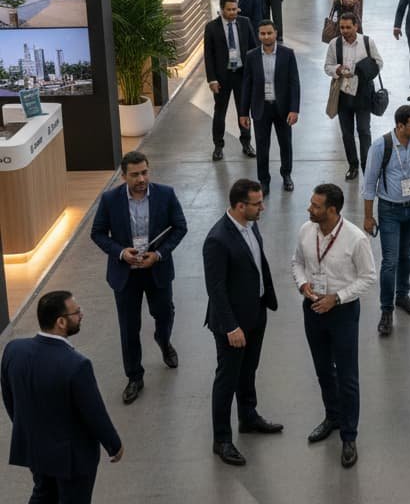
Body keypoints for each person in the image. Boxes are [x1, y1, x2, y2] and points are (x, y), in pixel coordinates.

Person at [1, 291, 123, 501]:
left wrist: (28, 430)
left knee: (43, 495)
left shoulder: (13, 350)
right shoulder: (76, 365)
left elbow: (10, 398)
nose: (81, 315)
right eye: (76, 312)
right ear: (61, 322)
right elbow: (94, 413)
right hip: (72, 459)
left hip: (36, 449)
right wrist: (114, 445)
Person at [89, 151, 188, 404]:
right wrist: (121, 253)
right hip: (125, 275)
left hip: (157, 270)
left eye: (144, 172)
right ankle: (134, 377)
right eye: (135, 175)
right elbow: (98, 233)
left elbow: (180, 227)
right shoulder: (110, 200)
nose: (141, 178)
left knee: (164, 313)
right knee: (128, 327)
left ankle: (164, 341)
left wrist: (159, 254)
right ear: (123, 177)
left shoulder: (166, 195)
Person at [292, 183, 376, 469]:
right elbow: (297, 263)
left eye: (316, 206)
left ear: (332, 210)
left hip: (342, 312)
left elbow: (368, 277)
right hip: (312, 308)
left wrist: (337, 298)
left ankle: (349, 436)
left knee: (348, 375)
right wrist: (302, 283)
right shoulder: (306, 230)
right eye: (311, 203)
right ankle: (332, 416)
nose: (309, 209)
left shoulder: (355, 239)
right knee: (323, 369)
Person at [203, 179, 281, 467]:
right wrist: (231, 327)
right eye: (257, 203)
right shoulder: (217, 239)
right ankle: (221, 439)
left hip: (256, 312)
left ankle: (248, 417)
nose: (262, 207)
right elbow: (216, 289)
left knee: (248, 370)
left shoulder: (251, 224)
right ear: (239, 206)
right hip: (233, 324)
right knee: (227, 378)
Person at [362, 105, 410, 337]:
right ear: (400, 126)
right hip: (390, 210)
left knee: (406, 256)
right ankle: (386, 309)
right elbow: (369, 182)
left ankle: (402, 295)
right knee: (390, 261)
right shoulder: (381, 146)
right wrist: (367, 215)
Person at [240, 20, 301, 194]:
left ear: (275, 33)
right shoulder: (251, 56)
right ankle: (264, 180)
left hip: (282, 109)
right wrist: (243, 113)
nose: (266, 36)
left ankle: (286, 175)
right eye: (262, 34)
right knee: (262, 146)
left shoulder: (287, 54)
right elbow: (246, 85)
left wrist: (294, 109)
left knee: (285, 144)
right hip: (261, 108)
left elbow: (294, 83)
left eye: (269, 33)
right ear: (258, 35)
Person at [325, 13, 383, 180]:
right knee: (347, 133)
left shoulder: (366, 42)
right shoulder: (334, 44)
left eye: (348, 27)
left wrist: (363, 69)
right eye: (342, 27)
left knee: (364, 130)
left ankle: (367, 165)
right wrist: (337, 69)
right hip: (343, 94)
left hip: (363, 93)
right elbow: (327, 66)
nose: (344, 30)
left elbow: (379, 63)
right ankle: (353, 165)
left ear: (356, 26)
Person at [204, 0, 258, 161]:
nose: (233, 12)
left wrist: (255, 75)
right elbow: (208, 55)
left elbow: (253, 48)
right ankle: (218, 146)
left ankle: (246, 143)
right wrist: (212, 79)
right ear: (221, 10)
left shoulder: (244, 22)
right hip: (222, 78)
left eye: (235, 9)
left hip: (242, 75)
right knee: (220, 112)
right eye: (229, 10)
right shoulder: (212, 27)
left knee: (244, 111)